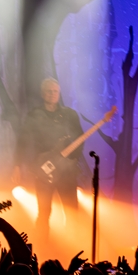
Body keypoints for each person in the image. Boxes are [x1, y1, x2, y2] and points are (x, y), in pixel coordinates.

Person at [18, 78, 83, 236]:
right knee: (44, 212)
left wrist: (72, 158)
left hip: (67, 172)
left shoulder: (69, 115)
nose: (52, 94)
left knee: (72, 212)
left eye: (55, 91)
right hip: (44, 170)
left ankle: (71, 247)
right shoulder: (34, 115)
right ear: (42, 94)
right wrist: (22, 165)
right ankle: (41, 246)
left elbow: (80, 139)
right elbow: (24, 141)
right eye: (49, 91)